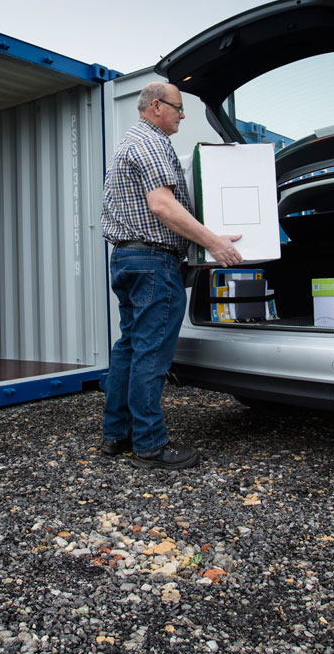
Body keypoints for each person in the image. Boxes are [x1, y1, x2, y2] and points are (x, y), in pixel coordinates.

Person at [100, 81, 243, 469]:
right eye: (178, 107)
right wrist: (213, 243)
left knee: (130, 347)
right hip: (152, 263)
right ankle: (149, 446)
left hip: (128, 258)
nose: (182, 114)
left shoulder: (130, 142)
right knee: (151, 354)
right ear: (156, 106)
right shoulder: (151, 143)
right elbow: (162, 206)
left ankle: (117, 434)